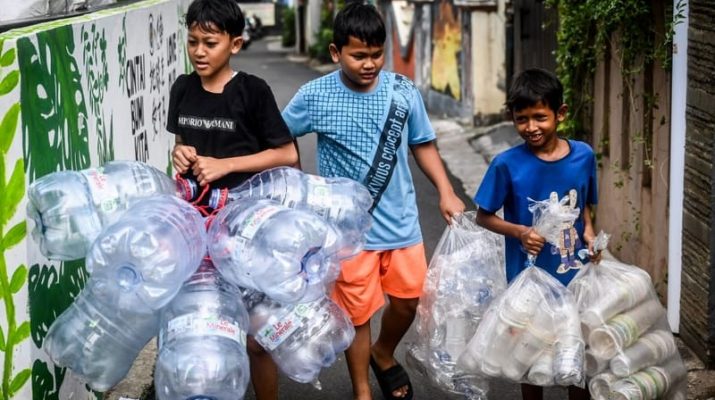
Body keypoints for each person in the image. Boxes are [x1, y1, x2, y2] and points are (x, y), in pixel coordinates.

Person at [281, 2, 465, 399]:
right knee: (358, 314)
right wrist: (300, 181)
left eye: (377, 54)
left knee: (408, 302)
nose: (369, 63)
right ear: (336, 53)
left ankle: (384, 352)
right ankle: (362, 389)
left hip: (400, 220)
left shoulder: (402, 92)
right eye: (358, 55)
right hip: (348, 232)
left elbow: (423, 143)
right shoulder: (314, 95)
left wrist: (447, 192)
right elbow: (279, 135)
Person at [166, 0, 298, 398]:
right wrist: (180, 155)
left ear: (235, 44)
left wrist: (225, 165)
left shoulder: (252, 91)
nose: (199, 52)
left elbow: (287, 153)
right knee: (207, 328)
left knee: (258, 336)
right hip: (199, 229)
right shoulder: (183, 88)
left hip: (248, 229)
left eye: (210, 42)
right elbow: (182, 144)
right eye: (193, 42)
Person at [473, 68, 599, 400]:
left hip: (575, 276)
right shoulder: (506, 164)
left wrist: (589, 232)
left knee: (576, 360)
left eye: (540, 117)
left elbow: (584, 206)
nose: (531, 127)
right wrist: (519, 232)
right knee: (530, 359)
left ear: (560, 113)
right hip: (528, 281)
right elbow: (483, 216)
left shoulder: (583, 156)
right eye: (522, 119)